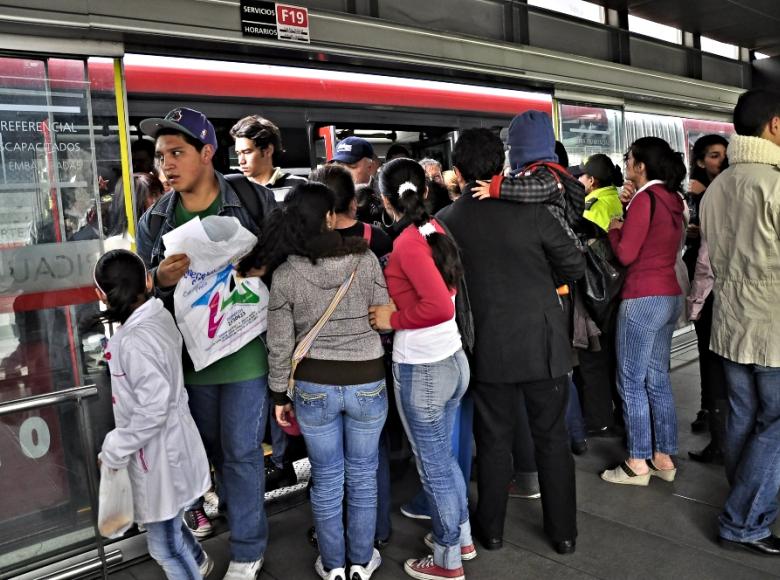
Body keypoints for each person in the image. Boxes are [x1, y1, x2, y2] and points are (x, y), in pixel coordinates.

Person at [136, 107, 271, 579]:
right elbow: (138, 295)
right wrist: (157, 279)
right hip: (189, 364)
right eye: (159, 156)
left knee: (241, 452)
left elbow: (288, 258)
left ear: (207, 153)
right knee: (210, 453)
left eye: (177, 152)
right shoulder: (155, 221)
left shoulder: (253, 201)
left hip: (247, 357)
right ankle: (232, 513)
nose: (166, 164)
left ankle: (248, 549)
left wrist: (261, 266)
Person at [440, 128, 584, 556]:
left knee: (494, 439)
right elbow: (574, 264)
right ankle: (563, 534)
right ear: (502, 168)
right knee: (553, 439)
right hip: (543, 342)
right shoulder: (535, 211)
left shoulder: (447, 222)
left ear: (458, 172)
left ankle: (493, 531)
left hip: (486, 346)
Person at [254, 182, 389, 580]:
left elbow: (279, 344)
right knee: (363, 474)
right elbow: (382, 312)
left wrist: (279, 393)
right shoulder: (364, 261)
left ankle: (333, 565)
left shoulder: (285, 273)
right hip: (367, 379)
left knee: (326, 477)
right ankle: (361, 563)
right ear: (330, 218)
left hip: (313, 388)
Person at [369, 158, 476, 580]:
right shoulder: (434, 231)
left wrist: (390, 319)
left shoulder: (408, 244)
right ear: (425, 192)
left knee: (432, 464)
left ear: (383, 200)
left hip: (424, 369)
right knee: (442, 459)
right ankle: (461, 534)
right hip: (451, 361)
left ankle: (448, 557)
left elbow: (434, 305)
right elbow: (441, 296)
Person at [96, 249, 212, 580]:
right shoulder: (159, 317)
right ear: (148, 281)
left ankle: (193, 567)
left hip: (159, 455)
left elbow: (153, 407)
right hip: (169, 448)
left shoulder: (132, 341)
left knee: (163, 547)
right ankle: (199, 560)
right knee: (170, 520)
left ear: (100, 296)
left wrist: (115, 448)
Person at [700, 89, 780, 556]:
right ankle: (744, 519)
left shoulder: (718, 187)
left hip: (730, 325)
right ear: (773, 125)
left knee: (742, 418)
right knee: (774, 424)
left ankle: (747, 503)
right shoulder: (773, 185)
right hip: (772, 329)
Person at [600, 137, 686, 487]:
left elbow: (626, 254)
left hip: (642, 297)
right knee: (658, 379)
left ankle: (637, 461)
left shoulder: (643, 199)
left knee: (631, 382)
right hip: (669, 295)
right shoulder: (672, 199)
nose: (625, 164)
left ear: (641, 166)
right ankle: (664, 457)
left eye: (629, 159)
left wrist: (614, 229)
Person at [568, 154, 625, 437]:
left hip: (596, 292)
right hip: (615, 291)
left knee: (593, 359)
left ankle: (599, 419)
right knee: (613, 356)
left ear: (591, 180)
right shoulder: (617, 199)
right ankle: (615, 414)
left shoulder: (593, 207)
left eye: (582, 176)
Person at [682, 135, 729, 439]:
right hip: (701, 277)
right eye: (713, 155)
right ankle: (708, 409)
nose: (720, 160)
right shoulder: (691, 193)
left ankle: (720, 415)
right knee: (705, 350)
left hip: (722, 277)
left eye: (723, 154)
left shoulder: (727, 188)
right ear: (699, 161)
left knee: (721, 354)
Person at [230, 114, 306, 201]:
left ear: (268, 150)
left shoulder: (300, 187)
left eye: (247, 152)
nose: (241, 161)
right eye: (238, 153)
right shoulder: (234, 191)